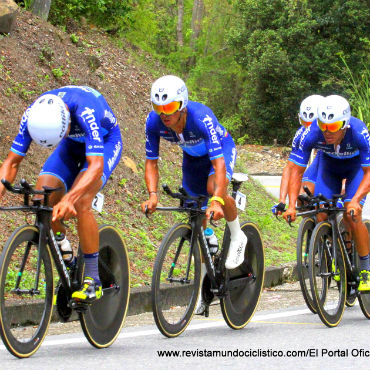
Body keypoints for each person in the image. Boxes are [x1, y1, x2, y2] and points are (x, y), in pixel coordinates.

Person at [0, 85, 123, 302]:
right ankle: (66, 254)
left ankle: (92, 279)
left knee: (82, 200)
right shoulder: (33, 115)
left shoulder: (86, 111)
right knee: (42, 199)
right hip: (69, 144)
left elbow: (95, 165)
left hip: (105, 142)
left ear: (66, 121)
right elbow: (11, 162)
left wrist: (70, 198)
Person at [141, 75, 247, 313]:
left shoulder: (201, 118)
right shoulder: (153, 122)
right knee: (193, 211)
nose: (164, 113)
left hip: (220, 151)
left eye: (169, 107)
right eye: (159, 108)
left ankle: (237, 234)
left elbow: (219, 166)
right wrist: (153, 194)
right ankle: (202, 285)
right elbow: (151, 162)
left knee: (212, 190)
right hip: (192, 158)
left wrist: (218, 200)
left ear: (182, 105)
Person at [283, 95, 370, 291]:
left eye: (333, 126)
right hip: (329, 168)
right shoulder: (312, 132)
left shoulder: (358, 131)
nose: (327, 132)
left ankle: (366, 267)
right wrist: (290, 205)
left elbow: (369, 172)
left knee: (352, 214)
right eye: (323, 125)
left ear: (345, 124)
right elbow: (295, 170)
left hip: (355, 168)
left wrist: (356, 199)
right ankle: (335, 251)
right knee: (321, 210)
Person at [272, 95, 323, 215]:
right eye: (304, 122)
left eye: (312, 123)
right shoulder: (301, 133)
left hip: (343, 159)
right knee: (302, 197)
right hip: (323, 158)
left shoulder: (335, 130)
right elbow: (290, 168)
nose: (307, 127)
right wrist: (282, 201)